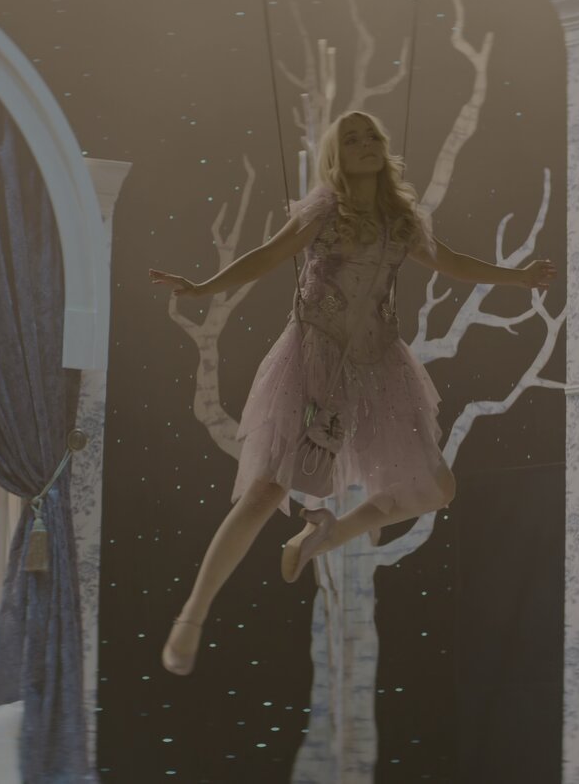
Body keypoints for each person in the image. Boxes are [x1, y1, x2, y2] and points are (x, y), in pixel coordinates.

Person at [149, 110, 557, 675]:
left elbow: (453, 263)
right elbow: (268, 255)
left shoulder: (401, 220)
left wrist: (518, 277)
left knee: (437, 489)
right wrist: (202, 287)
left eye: (371, 137)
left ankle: (325, 535)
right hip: (315, 358)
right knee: (267, 490)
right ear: (335, 156)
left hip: (378, 366)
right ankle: (192, 615)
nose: (365, 144)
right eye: (351, 139)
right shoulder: (324, 210)